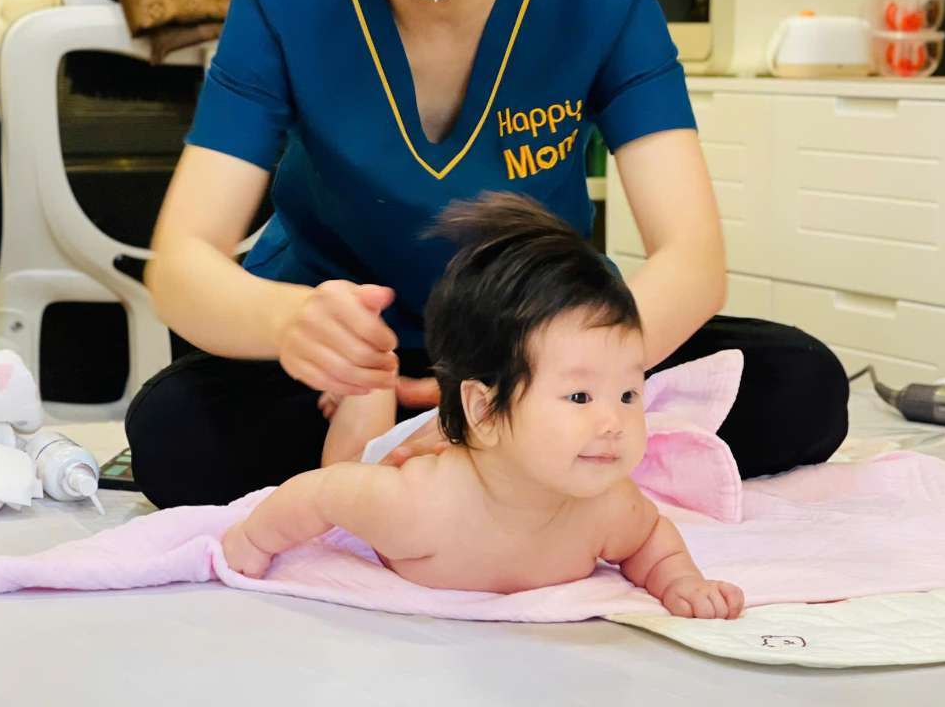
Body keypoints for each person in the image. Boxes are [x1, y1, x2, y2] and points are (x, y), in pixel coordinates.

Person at [128, 0, 849, 510]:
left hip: (541, 357)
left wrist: (531, 387)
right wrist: (290, 322)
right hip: (351, 373)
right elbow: (182, 263)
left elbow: (692, 259)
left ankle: (450, 459)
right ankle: (463, 458)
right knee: (174, 436)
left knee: (801, 386)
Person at [223, 192, 745, 620]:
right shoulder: (414, 506)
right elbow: (321, 495)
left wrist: (681, 581)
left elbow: (650, 541)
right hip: (405, 453)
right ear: (484, 408)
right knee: (353, 454)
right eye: (580, 397)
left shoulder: (607, 507)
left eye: (629, 395)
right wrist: (252, 539)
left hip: (482, 421)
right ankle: (373, 382)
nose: (614, 423)